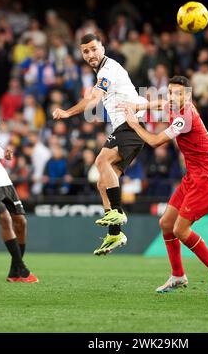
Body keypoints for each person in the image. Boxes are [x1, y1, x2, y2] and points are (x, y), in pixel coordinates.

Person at [122, 76, 208, 298]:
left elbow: (154, 142)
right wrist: (137, 105)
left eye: (178, 93)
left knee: (181, 230)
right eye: (171, 92)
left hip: (207, 179)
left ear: (187, 95)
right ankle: (178, 275)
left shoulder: (185, 118)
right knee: (166, 223)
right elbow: (159, 104)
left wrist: (134, 123)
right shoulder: (174, 104)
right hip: (193, 176)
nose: (173, 96)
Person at [52, 33, 147, 255]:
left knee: (101, 160)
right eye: (86, 51)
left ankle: (118, 213)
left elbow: (93, 99)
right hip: (126, 128)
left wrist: (67, 112)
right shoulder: (102, 71)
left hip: (130, 125)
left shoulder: (108, 69)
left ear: (102, 47)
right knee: (103, 182)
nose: (91, 54)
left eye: (94, 49)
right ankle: (115, 233)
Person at [0, 114, 38, 283]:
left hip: (2, 179)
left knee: (21, 221)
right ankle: (22, 269)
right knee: (5, 219)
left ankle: (14, 271)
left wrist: (5, 153)